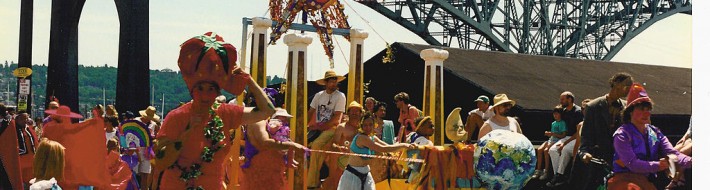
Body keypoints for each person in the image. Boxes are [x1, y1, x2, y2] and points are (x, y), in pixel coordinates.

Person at [152, 32, 276, 190]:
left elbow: (267, 111)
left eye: (211, 89)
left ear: (218, 92)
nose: (205, 95)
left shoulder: (225, 113)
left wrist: (248, 80)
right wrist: (187, 133)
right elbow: (159, 161)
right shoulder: (176, 117)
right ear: (192, 91)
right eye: (200, 89)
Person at [607, 83, 692, 189]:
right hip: (624, 181)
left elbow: (673, 153)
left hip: (645, 181)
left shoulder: (655, 133)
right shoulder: (622, 135)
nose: (646, 114)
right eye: (641, 109)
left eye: (648, 109)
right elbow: (632, 164)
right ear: (630, 112)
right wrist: (658, 165)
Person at [577, 72, 633, 189]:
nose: (629, 89)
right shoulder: (593, 106)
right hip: (597, 159)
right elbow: (586, 135)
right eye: (627, 85)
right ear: (616, 84)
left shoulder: (627, 107)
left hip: (618, 160)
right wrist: (584, 152)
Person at [337, 113, 416, 190]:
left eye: (370, 125)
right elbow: (382, 149)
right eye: (365, 125)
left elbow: (387, 146)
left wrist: (405, 145)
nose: (368, 127)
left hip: (366, 173)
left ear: (374, 125)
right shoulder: (361, 138)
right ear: (361, 126)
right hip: (353, 175)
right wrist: (403, 145)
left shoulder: (372, 137)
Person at [241, 112, 307, 190]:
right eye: (283, 117)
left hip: (274, 175)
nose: (285, 120)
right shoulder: (258, 122)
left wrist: (290, 153)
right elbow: (265, 142)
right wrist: (292, 145)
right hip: (262, 175)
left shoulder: (274, 125)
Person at [306, 70, 347, 189]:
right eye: (331, 81)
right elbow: (310, 112)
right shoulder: (318, 95)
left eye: (335, 81)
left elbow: (337, 117)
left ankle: (311, 183)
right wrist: (303, 127)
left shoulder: (340, 96)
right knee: (301, 142)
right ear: (326, 83)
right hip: (318, 129)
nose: (334, 84)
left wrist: (319, 127)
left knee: (317, 145)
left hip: (333, 129)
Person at [547, 91, 584, 187]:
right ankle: (558, 175)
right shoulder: (563, 111)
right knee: (552, 150)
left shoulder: (578, 112)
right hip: (565, 137)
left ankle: (559, 174)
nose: (561, 101)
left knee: (565, 150)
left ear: (570, 99)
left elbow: (578, 132)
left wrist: (565, 143)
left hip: (575, 137)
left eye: (563, 99)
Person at [326, 101, 364, 189]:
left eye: (357, 111)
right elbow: (334, 144)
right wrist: (341, 149)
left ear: (360, 113)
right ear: (348, 113)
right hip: (343, 159)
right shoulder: (342, 127)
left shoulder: (363, 128)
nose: (354, 112)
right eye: (352, 110)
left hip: (359, 159)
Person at [532, 105, 566, 181]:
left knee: (546, 150)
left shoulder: (562, 123)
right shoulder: (553, 123)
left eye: (557, 114)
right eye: (554, 114)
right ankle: (538, 170)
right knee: (540, 149)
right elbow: (552, 135)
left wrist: (552, 134)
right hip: (551, 139)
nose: (555, 115)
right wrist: (549, 134)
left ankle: (546, 171)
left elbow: (563, 135)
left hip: (557, 140)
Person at [404, 116, 435, 182]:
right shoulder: (424, 142)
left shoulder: (411, 135)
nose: (433, 128)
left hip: (407, 171)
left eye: (433, 126)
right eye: (430, 126)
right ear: (420, 128)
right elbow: (431, 147)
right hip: (417, 175)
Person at [14, 111, 39, 186]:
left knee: (31, 183)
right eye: (22, 119)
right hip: (19, 162)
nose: (25, 120)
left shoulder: (29, 129)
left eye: (26, 118)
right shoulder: (12, 130)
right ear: (17, 119)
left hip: (31, 162)